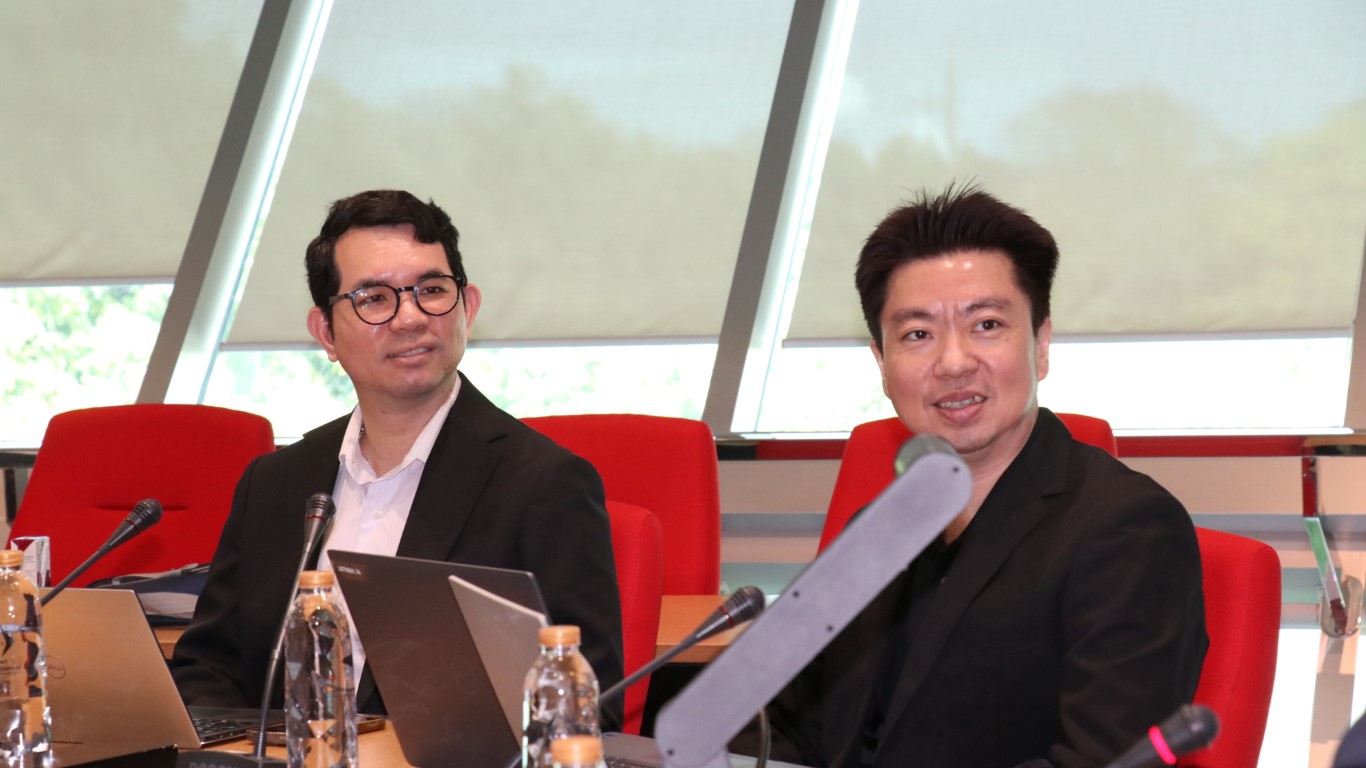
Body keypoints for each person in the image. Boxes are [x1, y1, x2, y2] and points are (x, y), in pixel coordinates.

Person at [760, 184, 1207, 767]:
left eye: (987, 324)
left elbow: (1103, 759)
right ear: (882, 364)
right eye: (917, 335)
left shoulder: (1129, 531)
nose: (952, 362)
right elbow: (787, 725)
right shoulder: (878, 529)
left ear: (1040, 345)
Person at [169, 190, 624, 725]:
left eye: (432, 290)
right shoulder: (275, 484)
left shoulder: (544, 486)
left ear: (468, 307)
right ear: (325, 332)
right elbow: (210, 667)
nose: (410, 318)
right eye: (374, 298)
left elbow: (585, 712)